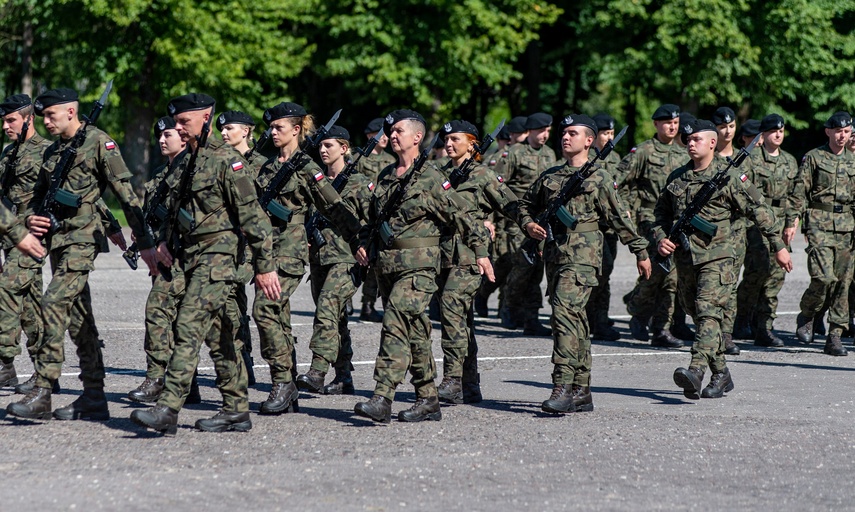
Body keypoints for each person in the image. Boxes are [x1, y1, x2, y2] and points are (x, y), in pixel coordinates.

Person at [7, 87, 158, 421]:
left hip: (83, 240)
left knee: (52, 303)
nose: (45, 121)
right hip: (58, 242)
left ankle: (43, 391)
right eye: (42, 115)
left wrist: (144, 243)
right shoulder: (52, 152)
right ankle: (93, 396)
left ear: (71, 112)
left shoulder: (99, 143)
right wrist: (30, 216)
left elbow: (125, 194)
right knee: (80, 321)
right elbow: (36, 196)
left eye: (51, 115)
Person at [130, 93, 278, 434]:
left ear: (207, 117)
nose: (179, 128)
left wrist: (265, 266)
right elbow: (179, 209)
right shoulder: (190, 161)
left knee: (187, 327)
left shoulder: (227, 161)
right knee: (221, 337)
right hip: (192, 257)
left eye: (184, 122)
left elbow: (254, 218)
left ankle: (168, 409)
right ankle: (236, 410)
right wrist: (164, 241)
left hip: (219, 258)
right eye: (177, 123)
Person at [353, 109, 493, 423]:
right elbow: (373, 220)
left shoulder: (430, 177)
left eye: (399, 130)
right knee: (415, 333)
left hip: (418, 269)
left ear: (417, 137)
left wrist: (481, 252)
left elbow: (463, 216)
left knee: (395, 323)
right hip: (388, 266)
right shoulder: (387, 175)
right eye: (390, 131)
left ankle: (382, 396)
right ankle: (428, 398)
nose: (392, 136)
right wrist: (364, 242)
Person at [520, 114, 651, 413]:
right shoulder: (551, 176)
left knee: (564, 314)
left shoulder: (600, 177)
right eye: (564, 133)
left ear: (589, 141)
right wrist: (529, 224)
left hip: (584, 259)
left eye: (573, 133)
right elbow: (524, 205)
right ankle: (582, 389)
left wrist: (640, 251)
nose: (566, 137)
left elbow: (619, 218)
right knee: (574, 320)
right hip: (555, 257)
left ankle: (562, 386)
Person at [656, 119, 792, 399]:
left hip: (719, 258)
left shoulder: (730, 176)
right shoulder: (678, 178)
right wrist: (660, 238)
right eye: (688, 139)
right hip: (686, 258)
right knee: (698, 313)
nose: (691, 143)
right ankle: (721, 373)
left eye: (697, 139)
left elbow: (760, 209)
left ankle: (696, 370)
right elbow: (659, 215)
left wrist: (778, 245)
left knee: (707, 311)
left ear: (712, 143)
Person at [251, 102, 362, 415]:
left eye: (279, 127)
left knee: (265, 309)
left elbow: (334, 207)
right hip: (266, 251)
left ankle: (282, 383)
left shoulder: (307, 168)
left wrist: (359, 240)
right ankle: (286, 387)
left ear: (296, 130)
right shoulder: (269, 167)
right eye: (270, 128)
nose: (273, 133)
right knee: (278, 316)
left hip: (290, 251)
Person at [435, 119, 520, 404]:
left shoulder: (483, 174)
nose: (448, 143)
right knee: (461, 319)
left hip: (470, 255)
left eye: (455, 139)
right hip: (442, 255)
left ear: (472, 144)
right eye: (446, 139)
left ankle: (452, 380)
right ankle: (470, 386)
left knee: (450, 307)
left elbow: (510, 205)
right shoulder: (439, 173)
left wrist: (532, 226)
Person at [296, 125, 368, 395]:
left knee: (326, 309)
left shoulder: (359, 183)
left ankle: (317, 371)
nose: (323, 150)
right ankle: (344, 377)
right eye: (321, 146)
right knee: (335, 319)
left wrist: (364, 246)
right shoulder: (316, 182)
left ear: (344, 148)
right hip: (319, 259)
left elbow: (370, 220)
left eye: (330, 146)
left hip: (346, 258)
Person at [126, 116, 191, 403]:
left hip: (185, 255)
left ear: (184, 137)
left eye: (168, 135)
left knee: (158, 311)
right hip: (164, 258)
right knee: (173, 319)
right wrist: (143, 237)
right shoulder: (159, 175)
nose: (162, 140)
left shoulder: (192, 170)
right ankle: (184, 384)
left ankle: (157, 378)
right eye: (159, 136)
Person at [621, 104, 685, 347]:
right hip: (649, 218)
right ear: (656, 124)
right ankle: (638, 312)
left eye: (675, 122)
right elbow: (617, 181)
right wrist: (626, 206)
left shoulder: (682, 154)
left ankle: (661, 329)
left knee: (672, 276)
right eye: (667, 122)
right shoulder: (644, 151)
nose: (672, 126)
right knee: (655, 272)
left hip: (673, 221)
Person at [792, 111, 855, 356]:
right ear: (828, 131)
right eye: (838, 131)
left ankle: (835, 335)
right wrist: (792, 221)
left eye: (846, 131)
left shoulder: (853, 160)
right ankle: (808, 314)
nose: (842, 136)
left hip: (847, 228)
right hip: (818, 223)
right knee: (823, 278)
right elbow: (800, 192)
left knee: (843, 283)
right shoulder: (814, 157)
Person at [0, 94, 51, 388]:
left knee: (6, 288)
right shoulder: (7, 154)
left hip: (32, 240)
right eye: (4, 121)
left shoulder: (47, 151)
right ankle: (45, 371)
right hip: (9, 238)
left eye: (11, 120)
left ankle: (5, 362)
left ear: (29, 119)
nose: (6, 126)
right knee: (31, 309)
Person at [735, 114, 798, 347]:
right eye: (773, 131)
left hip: (781, 224)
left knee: (776, 277)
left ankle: (764, 326)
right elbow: (743, 190)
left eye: (781, 130)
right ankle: (742, 319)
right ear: (763, 134)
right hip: (757, 224)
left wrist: (792, 222)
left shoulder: (790, 161)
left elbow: (795, 196)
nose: (778, 134)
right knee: (756, 274)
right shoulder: (750, 159)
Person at [496, 112, 556, 335]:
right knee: (521, 268)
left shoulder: (551, 155)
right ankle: (508, 307)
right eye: (541, 130)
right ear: (530, 131)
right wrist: (493, 220)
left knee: (536, 270)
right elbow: (497, 188)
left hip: (542, 222)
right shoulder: (514, 154)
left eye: (548, 131)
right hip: (517, 222)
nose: (545, 135)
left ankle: (531, 318)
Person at [216, 109, 260, 385]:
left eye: (229, 128)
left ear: (245, 131)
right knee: (230, 306)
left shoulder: (261, 164)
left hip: (253, 246)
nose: (223, 133)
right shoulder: (220, 162)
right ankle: (242, 362)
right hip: (226, 245)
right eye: (221, 128)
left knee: (248, 309)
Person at [474, 115, 528, 318]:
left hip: (523, 219)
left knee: (518, 265)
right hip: (504, 222)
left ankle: (510, 307)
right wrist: (488, 221)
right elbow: (491, 191)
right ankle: (487, 295)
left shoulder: (542, 154)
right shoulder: (503, 158)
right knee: (505, 264)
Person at [712, 106, 747, 355]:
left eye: (731, 126)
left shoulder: (746, 159)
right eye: (722, 127)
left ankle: (726, 334)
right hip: (711, 233)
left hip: (737, 232)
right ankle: (708, 328)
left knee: (731, 285)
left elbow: (755, 198)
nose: (727, 131)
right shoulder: (706, 157)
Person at [585, 113, 623, 341]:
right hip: (590, 227)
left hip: (609, 228)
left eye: (611, 133)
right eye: (605, 133)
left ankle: (600, 320)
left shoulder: (616, 158)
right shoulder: (586, 158)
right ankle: (589, 319)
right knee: (592, 274)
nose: (609, 138)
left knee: (605, 274)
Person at [355, 117, 394, 323]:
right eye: (380, 134)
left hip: (379, 216)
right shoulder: (360, 159)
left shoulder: (391, 161)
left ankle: (368, 305)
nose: (385, 138)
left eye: (387, 134)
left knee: (374, 263)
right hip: (360, 217)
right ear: (370, 136)